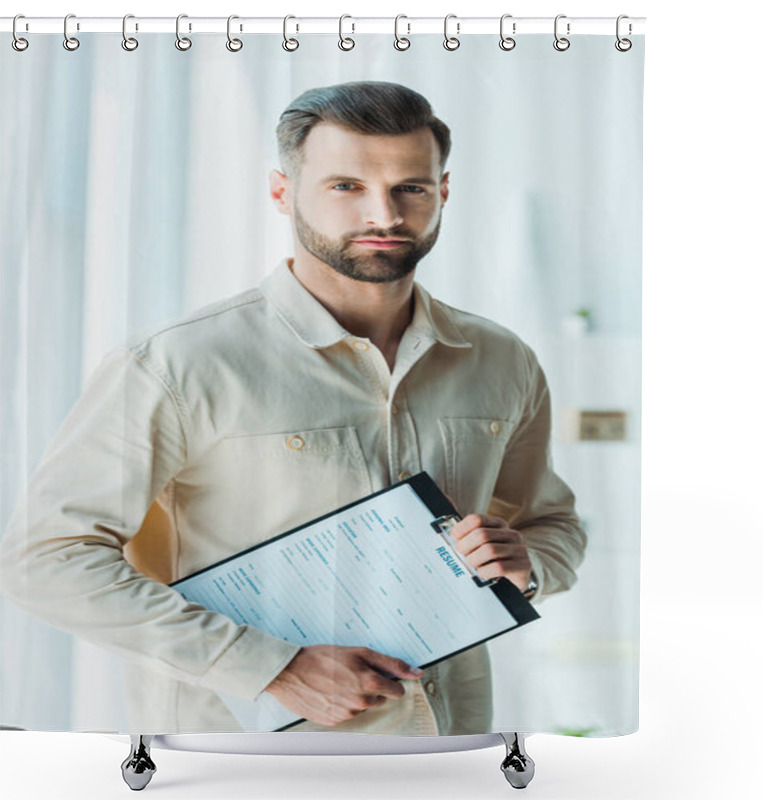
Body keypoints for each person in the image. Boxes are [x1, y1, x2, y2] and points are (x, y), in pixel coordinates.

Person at [0, 81, 586, 736]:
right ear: (283, 192)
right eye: (346, 187)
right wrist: (267, 667)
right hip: (243, 764)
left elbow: (552, 523)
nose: (383, 215)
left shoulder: (502, 360)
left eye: (410, 188)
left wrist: (526, 563)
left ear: (442, 192)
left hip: (448, 748)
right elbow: (46, 559)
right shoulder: (174, 364)